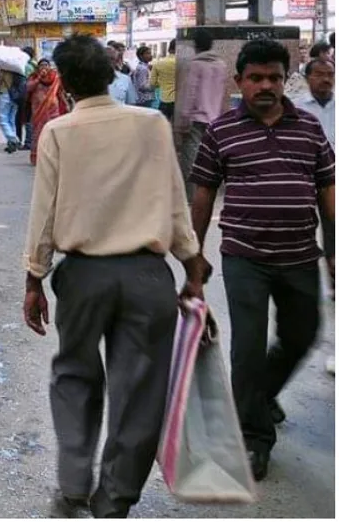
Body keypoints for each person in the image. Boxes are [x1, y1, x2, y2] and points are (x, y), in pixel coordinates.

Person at [23, 36, 206, 518]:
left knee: (76, 377)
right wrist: (192, 268)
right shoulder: (150, 125)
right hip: (148, 277)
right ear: (111, 73)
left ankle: (74, 486)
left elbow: (44, 215)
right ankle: (115, 498)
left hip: (83, 278)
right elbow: (174, 202)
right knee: (140, 391)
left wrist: (34, 279)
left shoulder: (59, 131)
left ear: (64, 82)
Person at [189, 39, 336, 482]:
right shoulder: (221, 132)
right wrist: (193, 258)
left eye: (274, 77)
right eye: (256, 78)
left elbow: (329, 197)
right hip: (244, 258)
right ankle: (254, 438)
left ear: (285, 79)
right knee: (247, 348)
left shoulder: (309, 128)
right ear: (240, 82)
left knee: (303, 333)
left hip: (299, 256)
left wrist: (334, 255)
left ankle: (261, 394)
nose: (266, 86)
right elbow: (202, 197)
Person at [297, 57, 336, 376]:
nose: (326, 79)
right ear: (307, 77)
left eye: (331, 74)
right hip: (307, 189)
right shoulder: (297, 110)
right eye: (320, 74)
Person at [175, 29, 228, 199]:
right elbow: (223, 93)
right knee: (211, 158)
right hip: (215, 119)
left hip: (196, 119)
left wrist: (183, 120)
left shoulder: (195, 65)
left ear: (195, 46)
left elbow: (190, 93)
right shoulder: (221, 65)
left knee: (191, 158)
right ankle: (211, 194)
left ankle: (192, 196)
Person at [26, 59, 70, 167]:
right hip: (38, 110)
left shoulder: (54, 78)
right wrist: (39, 78)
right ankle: (37, 157)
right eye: (41, 65)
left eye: (46, 65)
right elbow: (28, 88)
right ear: (38, 67)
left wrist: (66, 104)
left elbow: (60, 93)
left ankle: (53, 156)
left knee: (53, 132)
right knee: (38, 133)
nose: (44, 67)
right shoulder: (34, 77)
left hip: (53, 110)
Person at [150, 39, 178, 120]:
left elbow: (152, 84)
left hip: (164, 101)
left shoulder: (158, 63)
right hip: (179, 102)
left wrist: (162, 82)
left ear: (169, 49)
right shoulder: (183, 63)